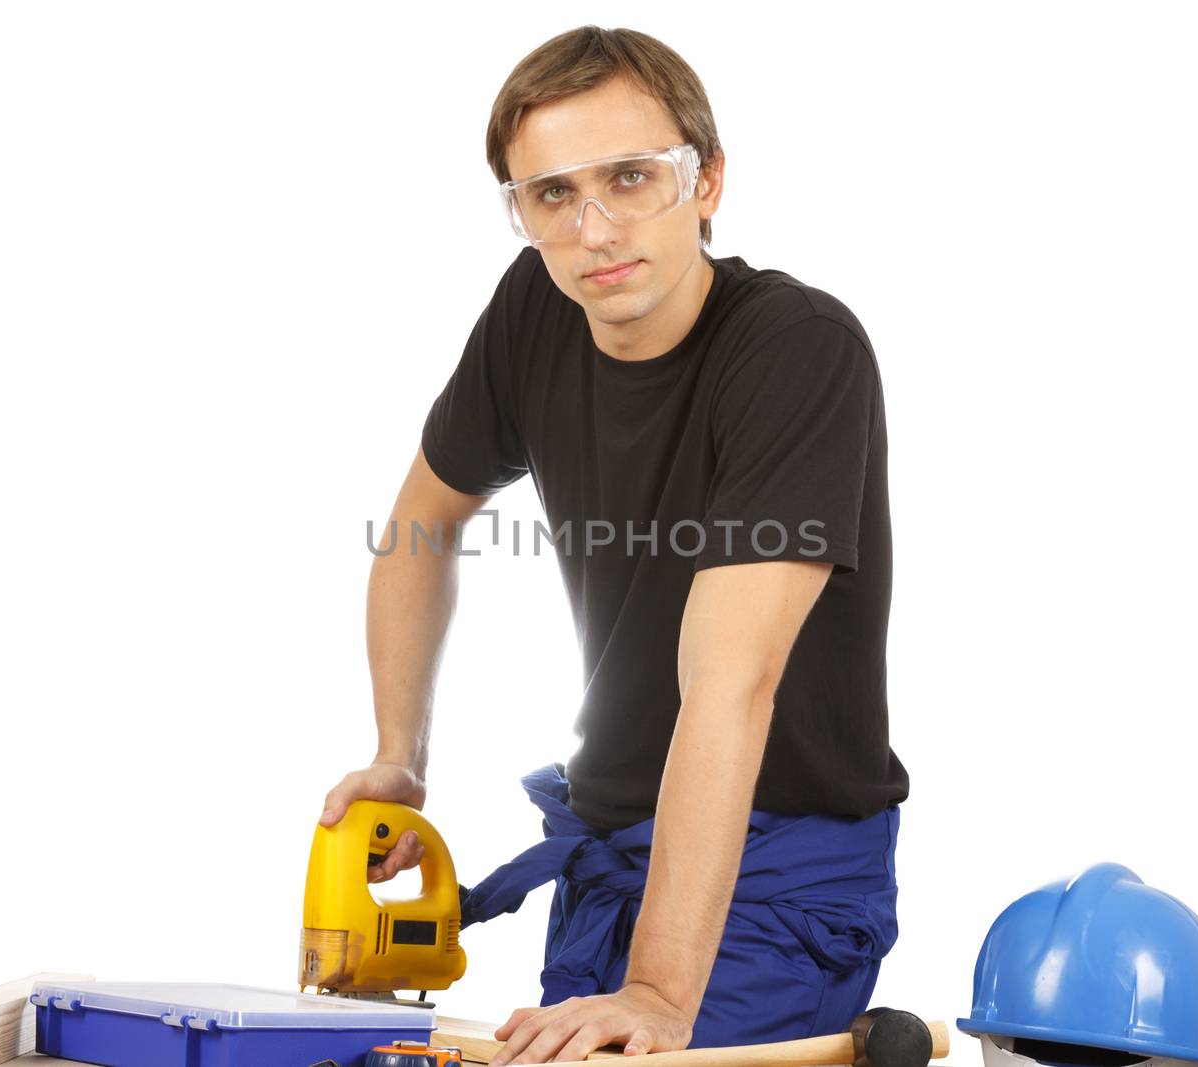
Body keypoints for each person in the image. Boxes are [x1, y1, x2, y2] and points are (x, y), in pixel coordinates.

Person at [320, 25, 909, 1065]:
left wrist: (657, 989)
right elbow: (419, 523)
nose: (593, 228)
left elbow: (731, 682)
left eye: (631, 177)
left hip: (781, 867)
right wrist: (397, 757)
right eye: (550, 195)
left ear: (707, 180)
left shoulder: (795, 350)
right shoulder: (535, 311)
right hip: (610, 853)